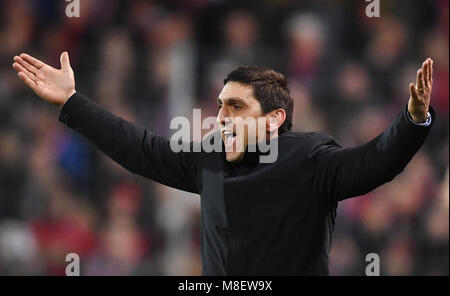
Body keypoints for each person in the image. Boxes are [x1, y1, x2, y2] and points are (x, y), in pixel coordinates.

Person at [12, 52, 435, 275]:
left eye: (235, 106)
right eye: (219, 106)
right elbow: (138, 147)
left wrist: (412, 119)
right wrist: (71, 102)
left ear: (275, 119)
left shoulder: (311, 159)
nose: (221, 117)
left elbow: (375, 163)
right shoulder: (208, 159)